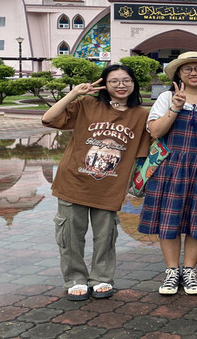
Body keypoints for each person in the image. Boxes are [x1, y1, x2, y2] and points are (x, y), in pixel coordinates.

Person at [42, 64, 151, 301]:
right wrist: (74, 94)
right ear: (105, 84)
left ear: (134, 84)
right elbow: (48, 119)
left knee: (105, 237)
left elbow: (146, 153)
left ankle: (102, 278)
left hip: (110, 186)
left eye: (126, 80)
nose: (121, 85)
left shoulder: (141, 115)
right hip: (74, 181)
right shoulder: (86, 105)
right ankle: (75, 279)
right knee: (70, 235)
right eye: (114, 81)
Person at [138, 51, 197, 295]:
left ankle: (189, 271)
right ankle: (171, 271)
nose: (193, 73)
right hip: (170, 168)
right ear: (178, 73)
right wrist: (175, 108)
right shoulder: (167, 97)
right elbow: (155, 131)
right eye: (187, 68)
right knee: (170, 220)